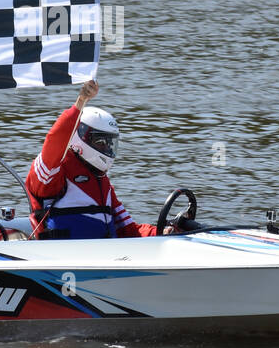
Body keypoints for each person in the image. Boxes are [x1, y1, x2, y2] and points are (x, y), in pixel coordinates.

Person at [26, 80, 171, 239]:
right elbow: (55, 140)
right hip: (65, 257)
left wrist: (161, 231)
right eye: (101, 142)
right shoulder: (54, 171)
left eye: (110, 143)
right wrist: (80, 102)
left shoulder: (103, 183)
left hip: (107, 256)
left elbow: (129, 229)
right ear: (80, 136)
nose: (107, 148)